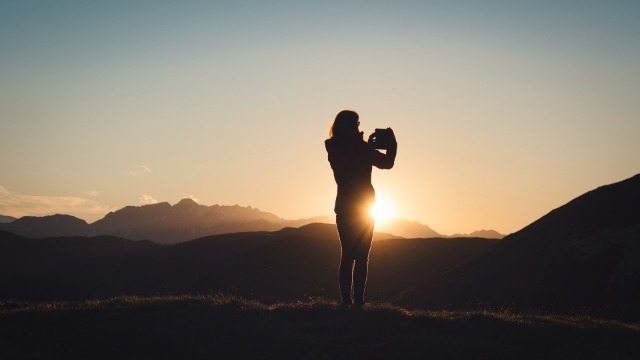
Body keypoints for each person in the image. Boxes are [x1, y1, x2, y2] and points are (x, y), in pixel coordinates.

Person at [324, 110, 397, 307]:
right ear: (342, 126)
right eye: (353, 123)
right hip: (356, 208)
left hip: (359, 207)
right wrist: (382, 146)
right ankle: (350, 302)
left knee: (360, 256)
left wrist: (391, 146)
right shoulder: (335, 146)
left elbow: (387, 163)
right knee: (350, 256)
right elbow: (380, 162)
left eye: (357, 122)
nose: (357, 126)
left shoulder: (355, 147)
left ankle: (356, 303)